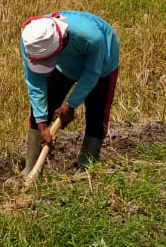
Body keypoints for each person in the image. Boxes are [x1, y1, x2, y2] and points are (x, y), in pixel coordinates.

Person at [19, 11, 120, 171]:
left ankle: (86, 169)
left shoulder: (91, 38)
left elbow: (91, 74)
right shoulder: (30, 40)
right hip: (63, 67)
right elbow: (35, 82)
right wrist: (42, 123)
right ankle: (30, 169)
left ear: (60, 44)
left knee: (96, 114)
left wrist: (71, 105)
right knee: (39, 114)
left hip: (102, 67)